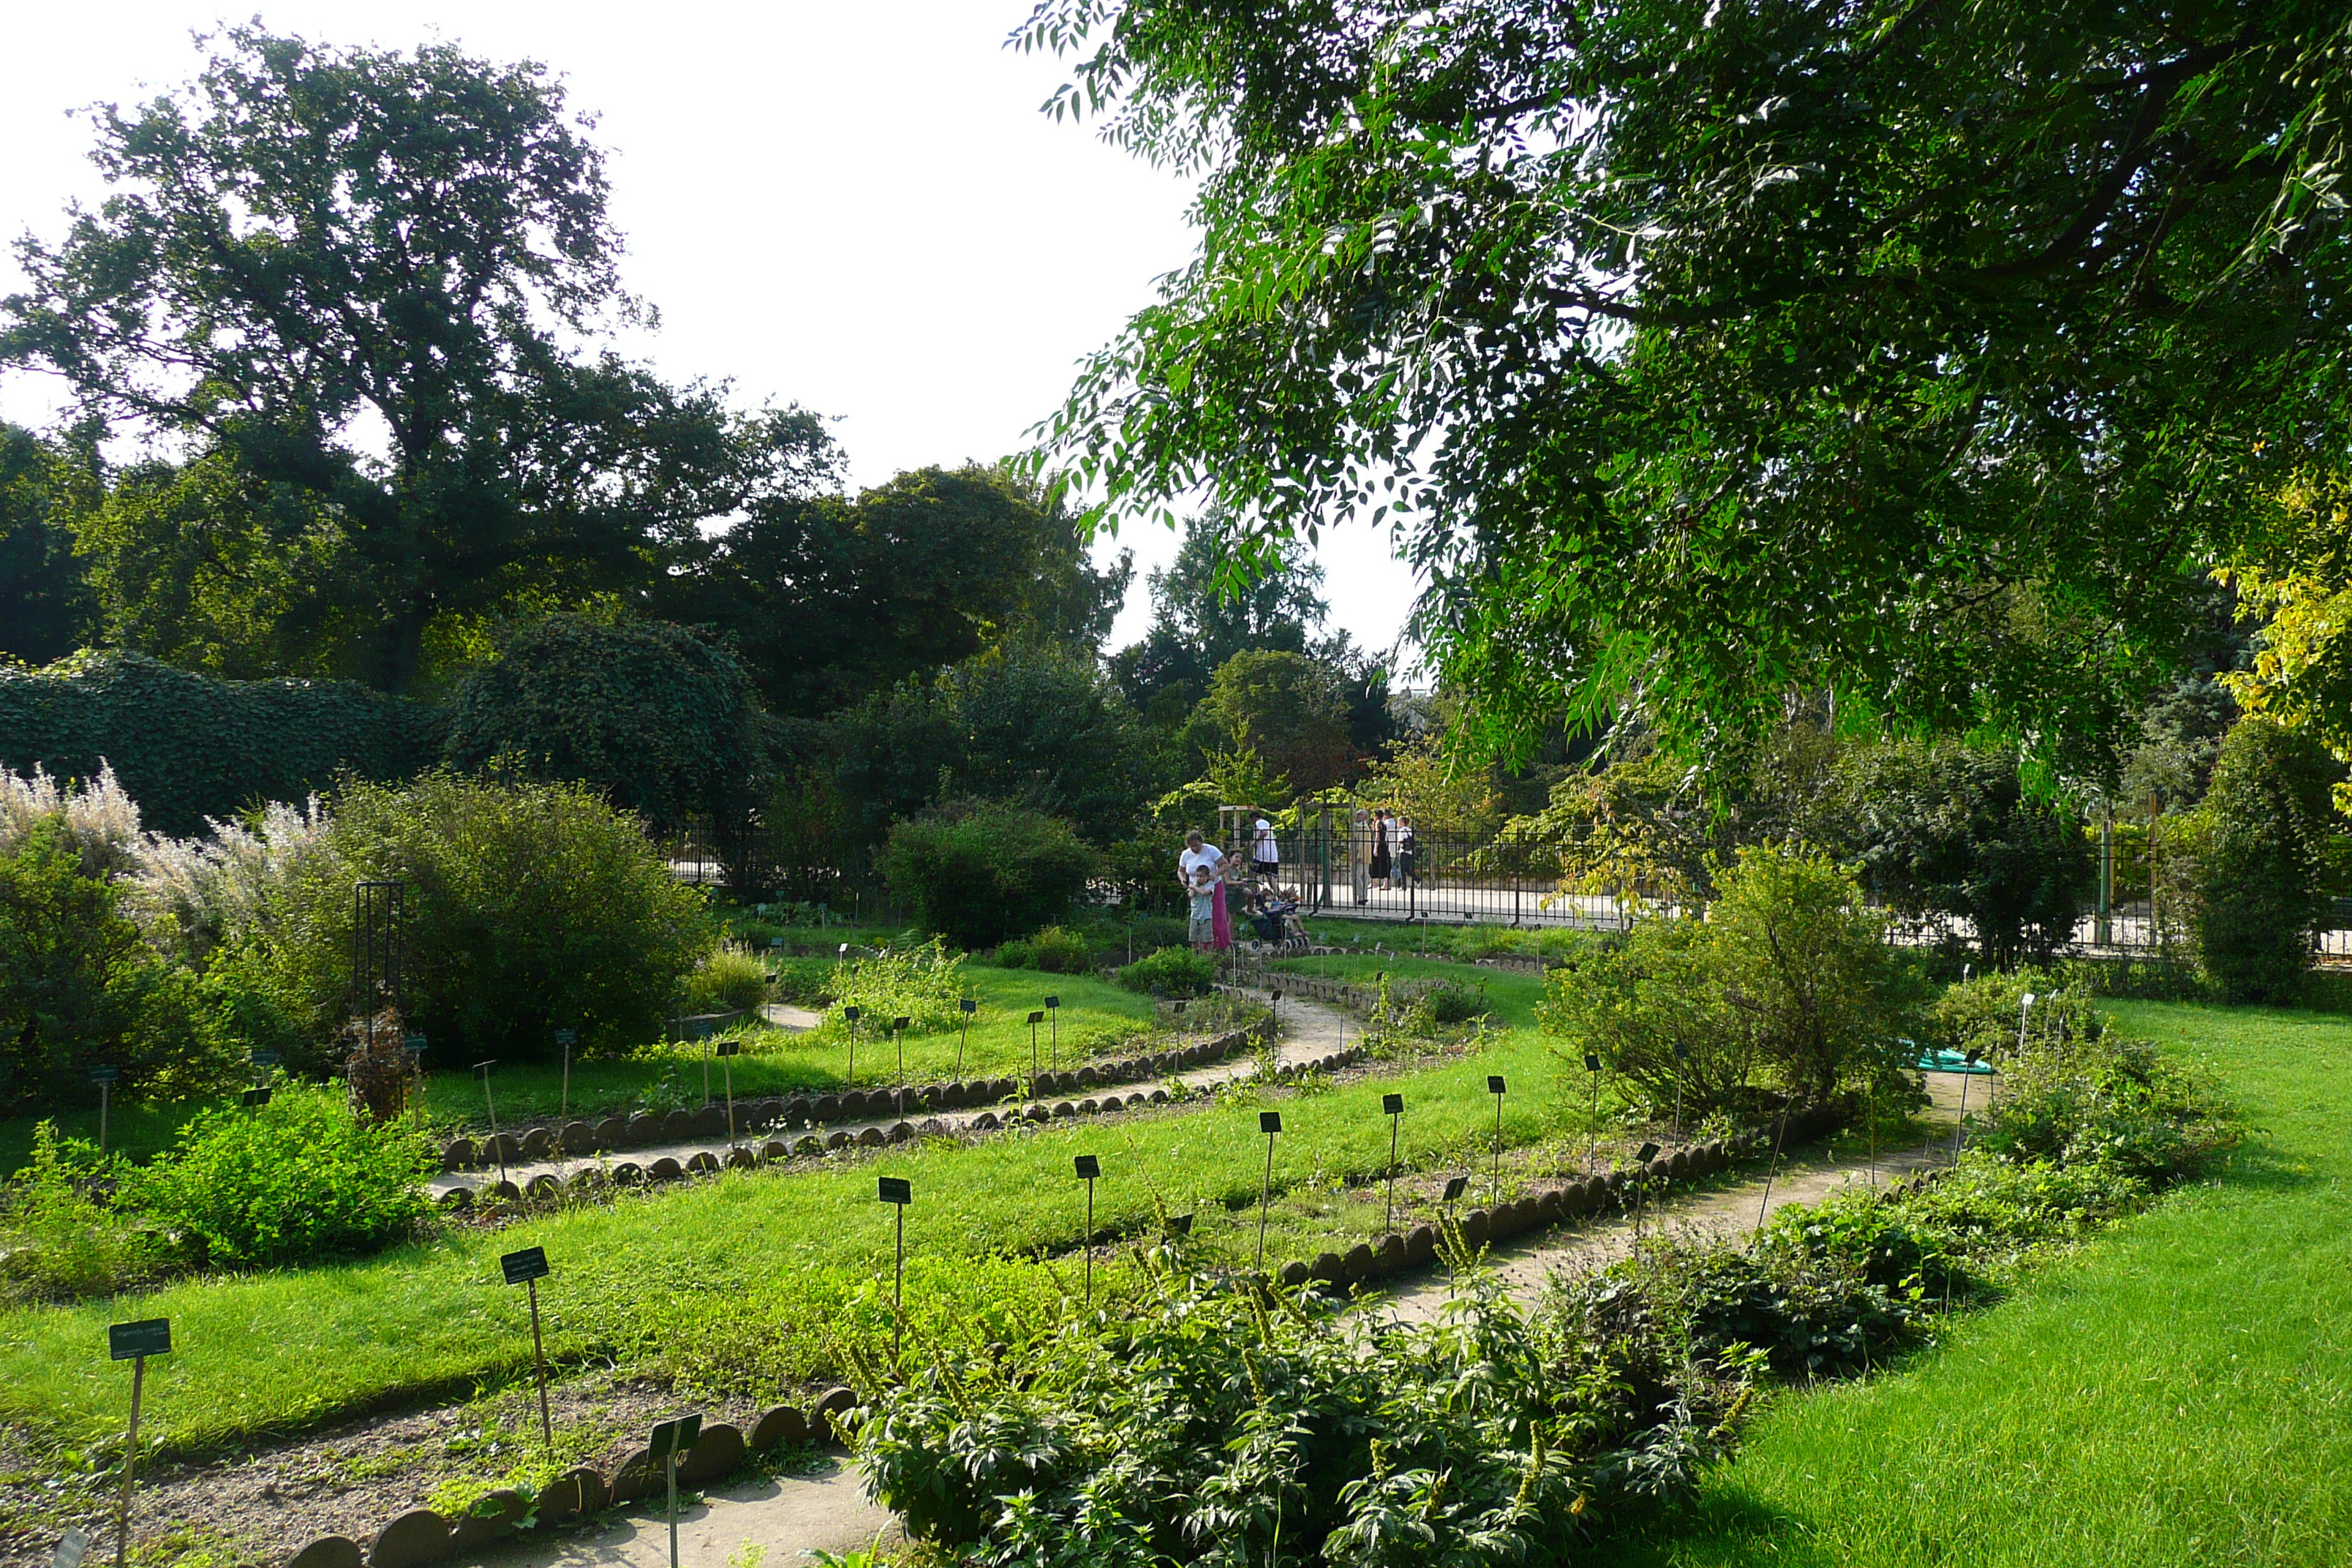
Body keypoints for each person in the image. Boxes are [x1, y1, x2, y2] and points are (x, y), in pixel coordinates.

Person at [1179, 831, 1224, 951]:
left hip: (1210, 884)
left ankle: (1220, 947)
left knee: (1217, 918)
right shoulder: (1186, 854)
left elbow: (1225, 865)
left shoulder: (1211, 850)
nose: (1194, 849)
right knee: (1196, 920)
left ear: (1201, 843)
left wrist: (1215, 874)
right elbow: (1181, 871)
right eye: (1192, 846)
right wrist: (1184, 880)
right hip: (1195, 887)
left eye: (1197, 846)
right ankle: (1198, 951)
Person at [1251, 814, 1280, 881]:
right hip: (1271, 855)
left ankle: (1255, 890)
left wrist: (1255, 841)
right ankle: (1276, 891)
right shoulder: (1266, 823)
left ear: (1254, 817)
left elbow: (1264, 833)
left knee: (1252, 873)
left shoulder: (1259, 822)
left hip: (1262, 855)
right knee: (1270, 876)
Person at [1370, 808, 1392, 890]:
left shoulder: (1378, 823)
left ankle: (1375, 883)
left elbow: (1377, 836)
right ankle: (1385, 884)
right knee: (1384, 864)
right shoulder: (1383, 823)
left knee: (1376, 864)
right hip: (1384, 845)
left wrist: (1375, 848)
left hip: (1380, 845)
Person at [1396, 814, 1417, 889]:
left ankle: (1404, 885)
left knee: (1402, 869)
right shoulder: (1409, 830)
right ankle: (1417, 879)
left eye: (1399, 822)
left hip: (1403, 851)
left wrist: (1398, 845)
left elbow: (1400, 841)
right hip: (1410, 851)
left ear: (1402, 822)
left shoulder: (1402, 830)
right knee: (1407, 869)